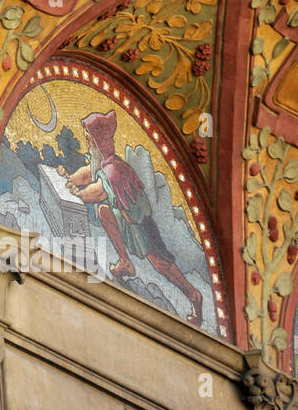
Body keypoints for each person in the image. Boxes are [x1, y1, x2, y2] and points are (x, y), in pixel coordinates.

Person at [59, 110, 203, 326]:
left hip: (141, 225)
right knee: (103, 211)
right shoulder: (105, 162)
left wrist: (77, 193)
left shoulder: (115, 169)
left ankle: (193, 295)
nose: (87, 142)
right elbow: (88, 173)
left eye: (89, 138)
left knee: (160, 264)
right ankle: (125, 262)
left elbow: (98, 192)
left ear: (98, 141)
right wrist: (70, 178)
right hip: (126, 220)